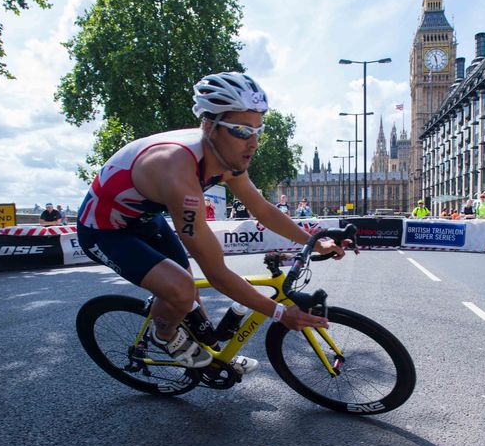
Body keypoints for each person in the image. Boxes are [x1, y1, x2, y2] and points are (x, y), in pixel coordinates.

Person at [76, 72, 351, 373]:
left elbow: (262, 209)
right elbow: (217, 273)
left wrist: (315, 241)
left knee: (191, 294)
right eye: (243, 131)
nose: (254, 142)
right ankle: (163, 334)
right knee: (181, 288)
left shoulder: (227, 159)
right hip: (104, 229)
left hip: (144, 219)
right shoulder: (177, 169)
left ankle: (214, 354)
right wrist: (280, 313)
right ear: (210, 126)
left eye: (259, 130)